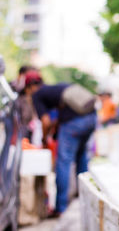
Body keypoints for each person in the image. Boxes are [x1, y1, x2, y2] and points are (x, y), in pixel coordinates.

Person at [23, 71, 97, 216]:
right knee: (81, 158)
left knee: (63, 162)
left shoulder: (37, 95)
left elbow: (45, 121)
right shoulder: (56, 88)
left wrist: (45, 139)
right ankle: (83, 200)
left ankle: (60, 208)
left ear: (30, 87)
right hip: (92, 118)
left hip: (74, 123)